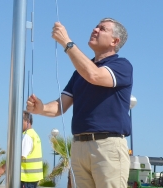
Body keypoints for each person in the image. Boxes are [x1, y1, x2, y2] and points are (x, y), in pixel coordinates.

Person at [26, 18, 133, 188]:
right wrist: (41, 108)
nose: (95, 29)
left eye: (102, 29)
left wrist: (67, 43)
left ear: (115, 41)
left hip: (107, 147)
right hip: (79, 147)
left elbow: (95, 76)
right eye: (96, 26)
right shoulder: (79, 73)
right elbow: (60, 106)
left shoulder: (122, 66)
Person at [21, 110, 43, 188]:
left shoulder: (27, 136)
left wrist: (2, 168)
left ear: (27, 122)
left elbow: (19, 157)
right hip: (32, 178)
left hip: (26, 179)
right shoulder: (34, 135)